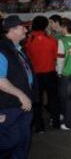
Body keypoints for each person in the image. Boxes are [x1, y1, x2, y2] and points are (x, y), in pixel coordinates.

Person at [0, 15, 35, 158]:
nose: (26, 31)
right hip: (9, 106)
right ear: (12, 30)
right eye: (22, 27)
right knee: (8, 142)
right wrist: (21, 95)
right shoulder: (2, 50)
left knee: (22, 142)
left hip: (22, 105)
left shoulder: (18, 49)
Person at [25, 16, 60, 132]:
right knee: (54, 99)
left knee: (37, 101)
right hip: (50, 73)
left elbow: (28, 58)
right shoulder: (52, 40)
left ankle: (39, 127)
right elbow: (56, 57)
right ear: (45, 26)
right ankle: (56, 122)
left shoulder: (29, 41)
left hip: (36, 76)